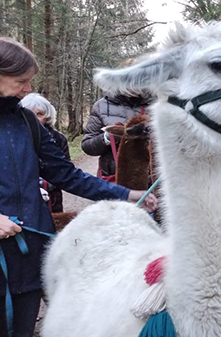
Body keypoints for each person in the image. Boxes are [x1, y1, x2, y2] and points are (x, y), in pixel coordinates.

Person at [0, 37, 157, 337]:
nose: (28, 90)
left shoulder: (28, 124)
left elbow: (67, 175)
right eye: (21, 81)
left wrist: (128, 194)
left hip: (29, 255)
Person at [81, 59, 154, 181]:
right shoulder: (102, 106)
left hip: (148, 179)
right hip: (114, 180)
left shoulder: (156, 106)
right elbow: (87, 146)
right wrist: (107, 138)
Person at [21, 93, 69, 212]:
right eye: (30, 113)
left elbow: (65, 170)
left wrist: (46, 185)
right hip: (21, 200)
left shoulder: (58, 138)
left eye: (40, 114)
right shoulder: (12, 137)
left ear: (47, 116)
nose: (34, 118)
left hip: (52, 198)